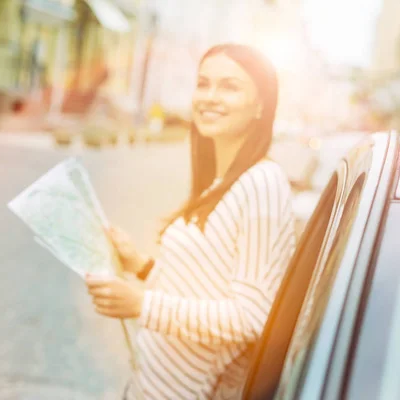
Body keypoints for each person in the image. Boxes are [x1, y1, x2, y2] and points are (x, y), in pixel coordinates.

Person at [85, 43, 296, 399]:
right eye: (203, 83)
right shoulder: (220, 180)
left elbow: (251, 317)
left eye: (229, 86)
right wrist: (140, 266)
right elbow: (203, 288)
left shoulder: (263, 183)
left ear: (261, 105)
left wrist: (142, 305)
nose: (210, 97)